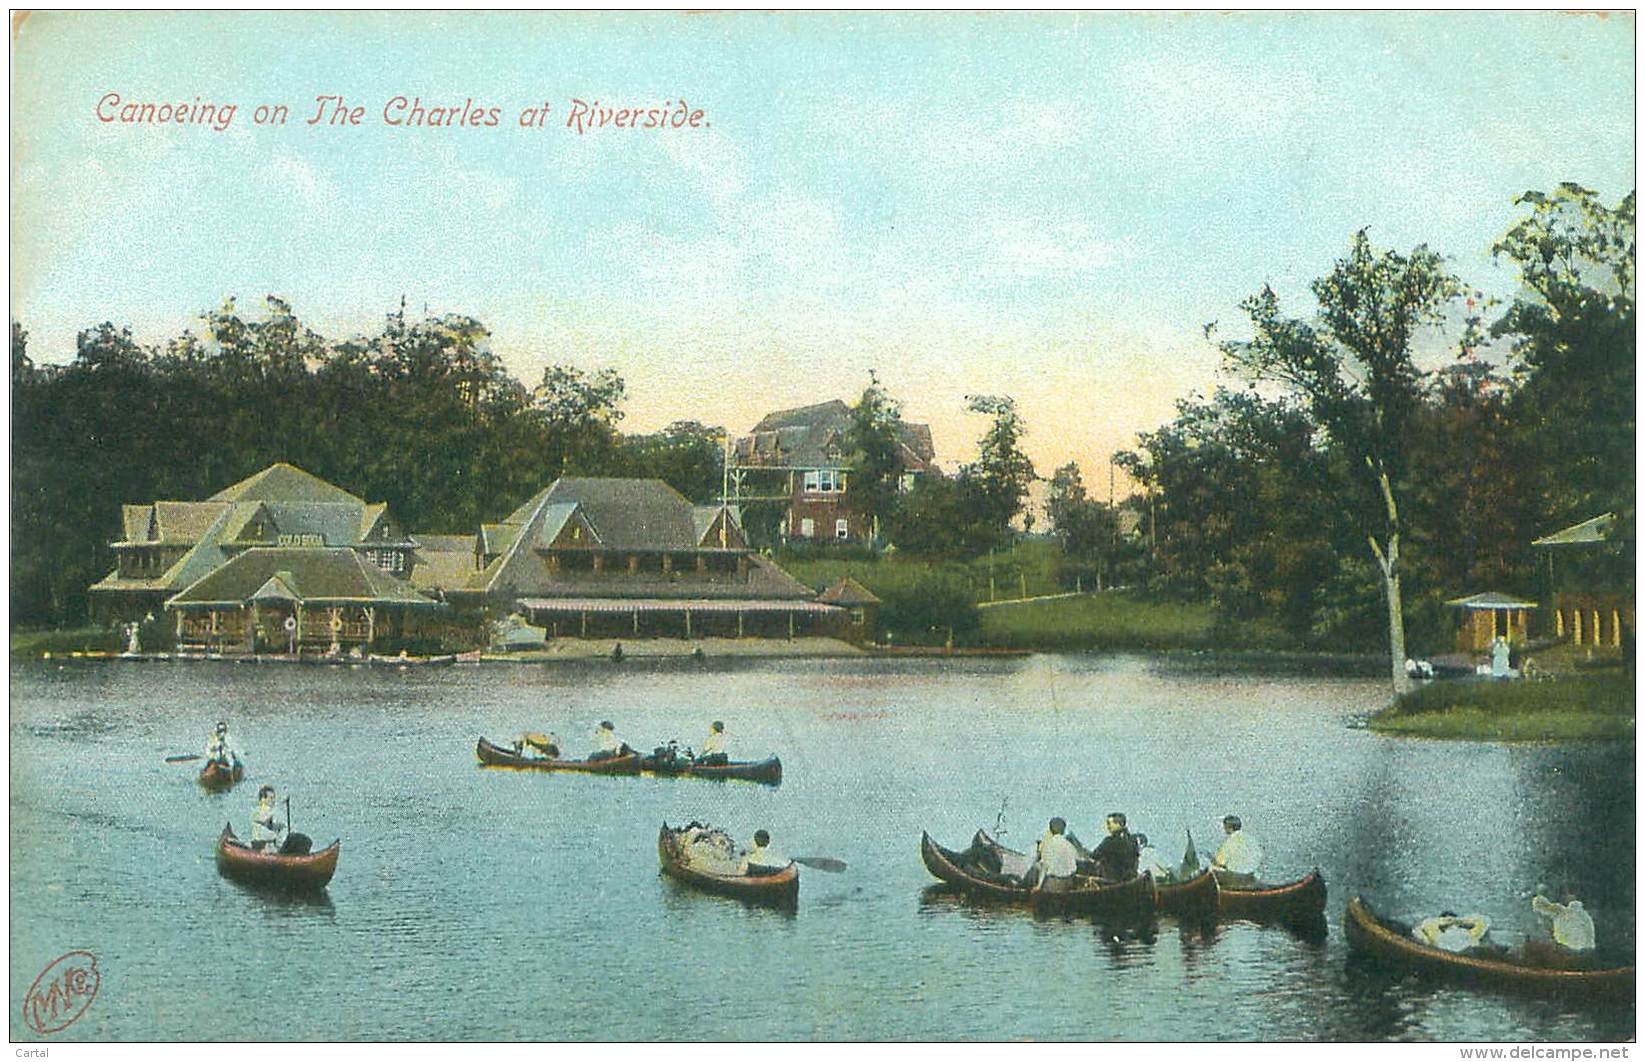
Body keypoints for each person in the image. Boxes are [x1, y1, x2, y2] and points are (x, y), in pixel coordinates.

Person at [1527, 893, 1597, 964]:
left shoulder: (1562, 912)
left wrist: (1536, 899)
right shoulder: (1585, 916)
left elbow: (1543, 906)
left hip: (1568, 950)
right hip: (1585, 952)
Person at [1030, 817, 1080, 892]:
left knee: (1036, 868)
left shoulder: (1048, 845)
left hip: (1054, 884)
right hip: (1068, 882)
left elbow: (1044, 867)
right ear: (1063, 831)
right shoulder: (1069, 845)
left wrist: (1038, 886)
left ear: (1050, 830)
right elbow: (1075, 865)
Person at [1091, 812, 1140, 881]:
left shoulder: (1109, 841)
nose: (1107, 827)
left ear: (1118, 824)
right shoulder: (1133, 840)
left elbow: (1094, 856)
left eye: (1109, 823)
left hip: (1113, 881)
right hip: (1130, 878)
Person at [1413, 911, 1492, 953]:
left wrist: (1458, 921)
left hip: (1467, 952)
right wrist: (1444, 921)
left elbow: (1485, 921)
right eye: (1447, 919)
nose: (1449, 921)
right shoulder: (1435, 934)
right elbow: (1426, 924)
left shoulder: (1468, 933)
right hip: (1443, 951)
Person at [1212, 815, 1262, 880]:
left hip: (1236, 876)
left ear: (1229, 827)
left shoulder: (1229, 842)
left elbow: (1219, 862)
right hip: (1251, 874)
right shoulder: (1250, 839)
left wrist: (1213, 860)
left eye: (1224, 826)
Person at [250, 785, 284, 852]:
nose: (274, 800)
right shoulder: (257, 811)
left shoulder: (270, 812)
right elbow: (263, 818)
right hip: (259, 845)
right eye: (271, 798)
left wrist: (281, 827)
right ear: (263, 799)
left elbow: (277, 826)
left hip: (269, 846)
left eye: (274, 798)